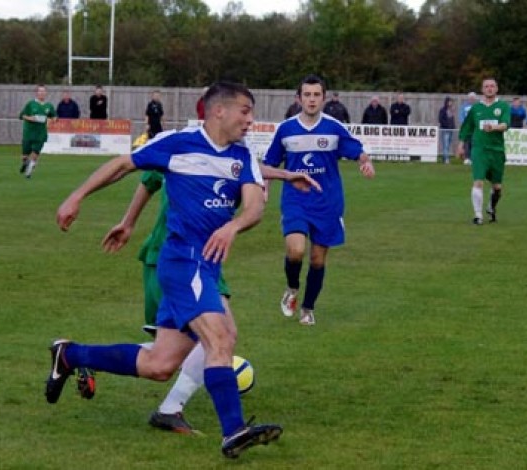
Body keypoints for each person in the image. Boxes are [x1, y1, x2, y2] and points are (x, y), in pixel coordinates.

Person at [46, 82, 284, 459]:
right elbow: (123, 164)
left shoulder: (244, 155)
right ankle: (233, 431)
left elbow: (255, 207)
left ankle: (71, 355)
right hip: (182, 260)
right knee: (221, 340)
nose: (250, 120)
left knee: (160, 365)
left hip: (206, 265)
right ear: (218, 111)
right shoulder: (179, 142)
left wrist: (233, 225)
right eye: (245, 111)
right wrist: (76, 196)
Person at [102, 162, 318, 434]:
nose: (248, 119)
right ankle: (217, 424)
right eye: (243, 115)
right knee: (190, 348)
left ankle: (84, 360)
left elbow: (243, 165)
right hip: (171, 257)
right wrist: (127, 222)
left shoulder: (232, 151)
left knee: (196, 345)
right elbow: (146, 178)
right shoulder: (182, 149)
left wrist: (282, 176)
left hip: (207, 259)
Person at [261, 74, 375, 327]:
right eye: (307, 95)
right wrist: (264, 187)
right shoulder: (286, 129)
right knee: (296, 250)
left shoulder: (334, 127)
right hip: (296, 199)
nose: (311, 100)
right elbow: (270, 163)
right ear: (298, 98)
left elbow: (357, 150)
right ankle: (292, 288)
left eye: (316, 95)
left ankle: (308, 308)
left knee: (317, 259)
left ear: (324, 98)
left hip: (327, 202)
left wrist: (366, 163)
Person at [457, 77, 510, 225]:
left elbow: (506, 124)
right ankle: (478, 215)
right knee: (478, 181)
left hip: (497, 150)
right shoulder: (476, 109)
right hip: (479, 150)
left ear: (497, 89)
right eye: (486, 86)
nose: (489, 88)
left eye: (492, 86)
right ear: (482, 90)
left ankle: (491, 208)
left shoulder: (503, 106)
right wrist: (461, 144)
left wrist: (494, 127)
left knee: (497, 187)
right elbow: (467, 128)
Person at [18, 84, 56, 178]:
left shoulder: (49, 106)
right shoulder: (30, 104)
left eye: (43, 91)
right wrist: (31, 118)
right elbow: (21, 116)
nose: (42, 93)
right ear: (36, 93)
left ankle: (29, 172)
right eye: (40, 91)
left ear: (46, 93)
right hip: (29, 134)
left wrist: (51, 120)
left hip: (41, 134)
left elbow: (54, 117)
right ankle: (26, 163)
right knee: (24, 157)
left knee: (35, 154)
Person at [459, 91, 478, 165]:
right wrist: (464, 124)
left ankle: (473, 158)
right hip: (467, 128)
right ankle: (467, 158)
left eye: (473, 98)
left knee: (474, 143)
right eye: (470, 98)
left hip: (475, 128)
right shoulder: (464, 106)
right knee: (466, 143)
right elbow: (461, 116)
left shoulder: (477, 106)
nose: (472, 99)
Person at [438, 97, 456, 164]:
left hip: (451, 129)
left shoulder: (451, 110)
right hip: (445, 129)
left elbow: (452, 120)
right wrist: (446, 125)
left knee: (448, 145)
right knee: (445, 144)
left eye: (451, 102)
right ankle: (446, 159)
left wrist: (453, 126)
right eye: (449, 102)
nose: (450, 103)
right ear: (446, 102)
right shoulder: (442, 110)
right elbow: (440, 119)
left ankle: (444, 157)